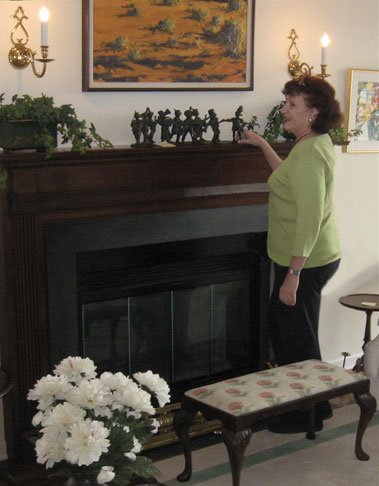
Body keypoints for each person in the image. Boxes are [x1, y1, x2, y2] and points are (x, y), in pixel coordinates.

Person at [238, 75, 343, 433]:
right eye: (287, 102)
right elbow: (286, 178)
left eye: (292, 104)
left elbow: (310, 219)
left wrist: (294, 275)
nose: (284, 109)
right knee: (292, 333)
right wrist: (263, 144)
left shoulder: (311, 152)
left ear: (313, 112)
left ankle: (310, 412)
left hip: (307, 262)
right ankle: (311, 407)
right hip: (307, 258)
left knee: (293, 337)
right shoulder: (309, 143)